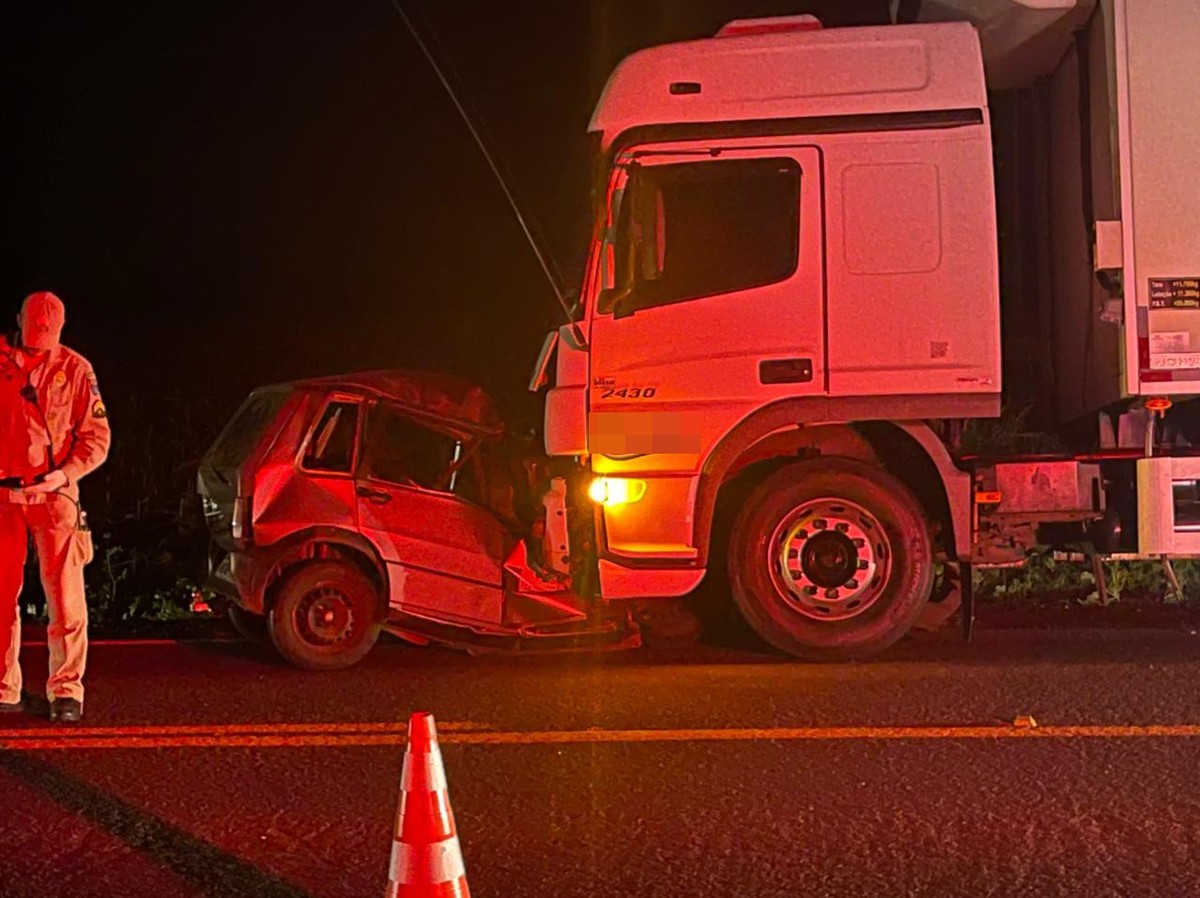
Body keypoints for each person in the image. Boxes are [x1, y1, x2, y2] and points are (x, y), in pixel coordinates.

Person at [0, 292, 110, 723]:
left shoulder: (75, 369)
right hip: (2, 497)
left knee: (65, 598)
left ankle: (66, 690)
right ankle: (5, 686)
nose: (38, 341)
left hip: (55, 495)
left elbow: (97, 438)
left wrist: (65, 475)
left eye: (46, 336)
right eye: (32, 333)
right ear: (18, 321)